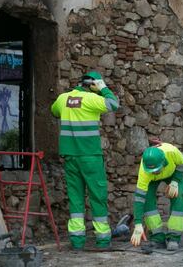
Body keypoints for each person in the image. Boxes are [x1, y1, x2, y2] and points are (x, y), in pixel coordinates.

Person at [51, 71, 119, 250]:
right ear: (93, 85)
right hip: (90, 156)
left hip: (70, 157)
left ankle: (77, 241)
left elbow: (54, 112)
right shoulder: (91, 99)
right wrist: (104, 88)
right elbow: (113, 104)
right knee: (98, 195)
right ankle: (103, 239)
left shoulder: (63, 99)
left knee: (75, 197)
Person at [130, 143, 183, 251]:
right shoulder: (144, 172)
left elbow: (182, 164)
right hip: (152, 181)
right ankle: (157, 237)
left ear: (163, 161)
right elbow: (139, 198)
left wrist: (175, 181)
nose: (155, 172)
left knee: (178, 197)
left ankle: (173, 238)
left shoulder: (172, 152)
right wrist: (138, 224)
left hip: (173, 174)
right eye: (152, 171)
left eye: (157, 170)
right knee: (147, 199)